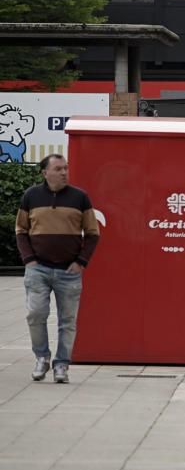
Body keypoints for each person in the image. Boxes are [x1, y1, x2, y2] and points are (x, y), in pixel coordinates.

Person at [15, 154, 100, 383]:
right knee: (35, 314)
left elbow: (92, 234)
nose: (64, 172)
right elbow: (21, 230)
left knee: (67, 321)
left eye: (66, 168)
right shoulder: (31, 196)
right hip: (38, 269)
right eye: (58, 169)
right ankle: (41, 357)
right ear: (45, 172)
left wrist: (80, 262)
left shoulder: (79, 197)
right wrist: (29, 260)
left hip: (69, 272)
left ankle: (62, 364)